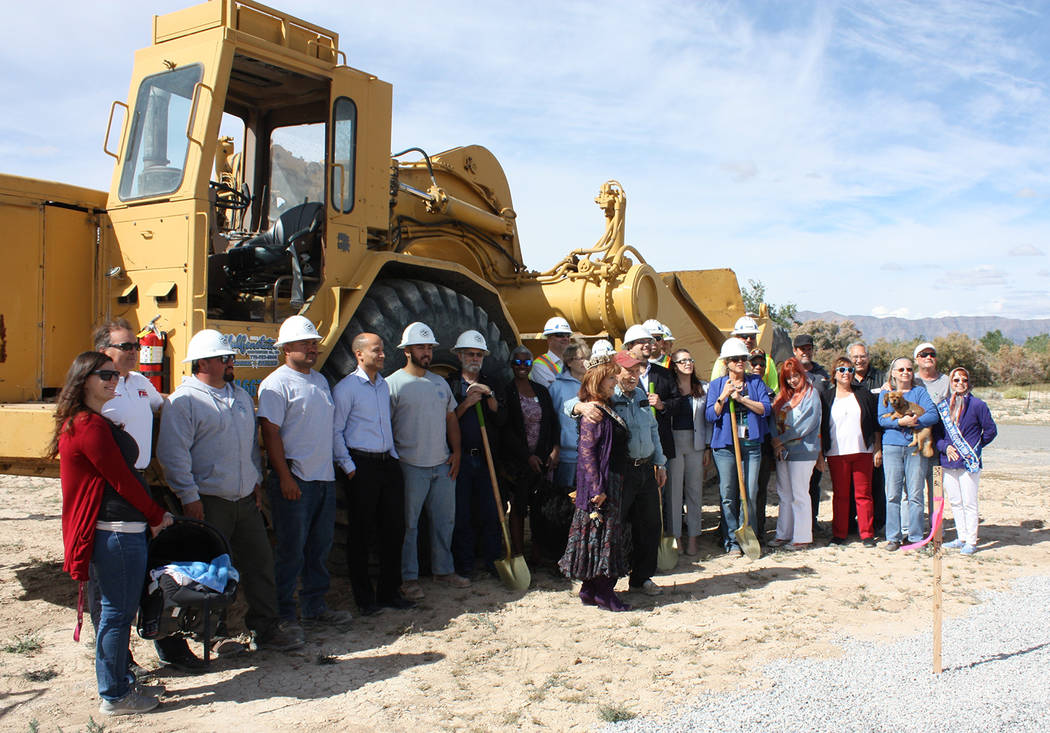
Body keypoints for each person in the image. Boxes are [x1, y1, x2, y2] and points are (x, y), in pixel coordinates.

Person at [157, 330, 302, 651]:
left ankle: (266, 628)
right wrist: (189, 496)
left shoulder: (238, 398)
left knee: (259, 563)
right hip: (209, 500)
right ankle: (208, 631)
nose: (231, 363)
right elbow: (173, 454)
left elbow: (251, 446)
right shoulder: (184, 401)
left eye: (231, 357)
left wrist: (255, 481)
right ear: (203, 362)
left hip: (244, 500)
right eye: (225, 358)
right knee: (209, 569)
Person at [52, 351, 173, 715]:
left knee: (116, 612)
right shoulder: (87, 426)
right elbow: (121, 479)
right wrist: (155, 514)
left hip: (118, 529)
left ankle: (118, 685)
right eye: (103, 375)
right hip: (117, 531)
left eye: (114, 375)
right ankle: (115, 694)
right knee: (117, 614)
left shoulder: (90, 422)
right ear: (83, 379)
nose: (112, 379)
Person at [90, 319, 204, 674]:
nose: (135, 352)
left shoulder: (140, 383)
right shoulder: (93, 387)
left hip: (138, 480)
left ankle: (167, 644)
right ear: (102, 351)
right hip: (108, 488)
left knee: (153, 570)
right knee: (111, 583)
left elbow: (163, 405)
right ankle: (118, 662)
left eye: (136, 346)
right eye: (126, 347)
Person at [257, 316, 351, 628]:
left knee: (318, 547)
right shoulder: (275, 385)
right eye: (305, 343)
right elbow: (270, 434)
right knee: (290, 551)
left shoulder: (320, 381)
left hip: (322, 480)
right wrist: (284, 477)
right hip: (296, 481)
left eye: (314, 343)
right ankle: (284, 613)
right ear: (286, 347)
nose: (313, 348)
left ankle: (314, 606)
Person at [567, 350, 668, 595]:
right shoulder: (607, 396)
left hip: (646, 469)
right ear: (615, 372)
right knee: (612, 528)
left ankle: (641, 578)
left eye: (637, 371)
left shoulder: (642, 395)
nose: (634, 375)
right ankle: (600, 583)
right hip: (620, 472)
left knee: (650, 526)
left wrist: (661, 463)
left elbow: (653, 430)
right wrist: (580, 406)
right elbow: (569, 404)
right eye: (629, 371)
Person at [332, 333, 414, 615]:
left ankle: (390, 593)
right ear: (359, 354)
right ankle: (365, 599)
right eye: (376, 351)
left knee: (394, 530)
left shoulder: (382, 387)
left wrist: (392, 456)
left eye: (382, 350)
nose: (382, 355)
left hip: (386, 464)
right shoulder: (346, 389)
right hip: (361, 466)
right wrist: (350, 468)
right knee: (361, 534)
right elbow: (336, 431)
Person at [387, 322, 467, 601]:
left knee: (445, 521)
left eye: (430, 348)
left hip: (442, 464)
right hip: (410, 465)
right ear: (406, 350)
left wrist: (456, 453)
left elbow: (451, 419)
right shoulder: (392, 385)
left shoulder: (440, 383)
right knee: (409, 525)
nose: (427, 353)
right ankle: (408, 578)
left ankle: (443, 570)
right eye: (421, 347)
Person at [558, 355, 630, 611]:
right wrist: (598, 488)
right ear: (598, 381)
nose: (615, 382)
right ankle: (605, 594)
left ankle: (589, 590)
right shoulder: (592, 412)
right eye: (611, 377)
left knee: (597, 534)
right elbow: (587, 452)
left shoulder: (605, 406)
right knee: (603, 535)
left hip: (613, 479)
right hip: (601, 484)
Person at [706, 338, 772, 555]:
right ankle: (732, 540)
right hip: (725, 446)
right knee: (728, 493)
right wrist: (724, 397)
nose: (740, 362)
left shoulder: (756, 383)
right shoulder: (717, 385)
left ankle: (747, 534)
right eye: (734, 359)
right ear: (726, 362)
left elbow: (765, 409)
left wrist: (741, 399)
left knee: (750, 492)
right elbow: (709, 415)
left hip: (751, 445)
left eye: (743, 358)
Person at [447, 330, 503, 579]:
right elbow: (447, 421)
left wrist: (488, 396)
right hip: (461, 458)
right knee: (462, 513)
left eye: (479, 354)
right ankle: (465, 564)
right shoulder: (449, 384)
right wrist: (467, 403)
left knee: (491, 511)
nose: (474, 358)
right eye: (470, 353)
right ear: (459, 356)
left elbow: (502, 418)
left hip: (487, 457)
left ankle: (492, 560)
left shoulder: (494, 382)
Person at [501, 345, 560, 562]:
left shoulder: (541, 391)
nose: (522, 367)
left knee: (539, 508)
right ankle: (517, 553)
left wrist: (555, 449)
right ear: (512, 364)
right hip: (518, 462)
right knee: (518, 507)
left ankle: (538, 551)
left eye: (527, 363)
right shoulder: (507, 391)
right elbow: (506, 430)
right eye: (518, 362)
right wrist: (526, 456)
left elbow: (552, 423)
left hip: (543, 459)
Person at [935, 367, 997, 555]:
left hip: (969, 462)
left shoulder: (978, 405)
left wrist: (974, 449)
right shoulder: (943, 406)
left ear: (969, 383)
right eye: (956, 380)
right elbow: (937, 434)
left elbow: (990, 431)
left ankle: (971, 540)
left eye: (964, 380)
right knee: (955, 500)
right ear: (951, 383)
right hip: (948, 461)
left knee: (969, 502)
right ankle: (961, 537)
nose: (960, 383)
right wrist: (945, 447)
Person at [878, 356, 938, 550]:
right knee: (893, 494)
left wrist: (914, 421)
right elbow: (881, 419)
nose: (905, 373)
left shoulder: (920, 392)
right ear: (893, 373)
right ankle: (894, 537)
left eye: (909, 369)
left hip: (915, 447)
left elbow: (932, 414)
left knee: (915, 493)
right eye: (901, 369)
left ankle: (915, 536)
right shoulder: (886, 393)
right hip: (892, 446)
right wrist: (898, 423)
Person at [820, 356, 881, 547]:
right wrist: (821, 454)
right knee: (841, 495)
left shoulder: (864, 395)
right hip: (837, 453)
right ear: (834, 374)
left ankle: (867, 534)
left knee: (864, 495)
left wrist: (877, 448)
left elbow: (875, 424)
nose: (846, 374)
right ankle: (839, 534)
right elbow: (822, 427)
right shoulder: (827, 397)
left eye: (850, 370)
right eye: (842, 370)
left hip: (863, 450)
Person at [769, 358, 823, 548]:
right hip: (782, 452)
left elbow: (806, 425)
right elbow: (772, 420)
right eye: (788, 377)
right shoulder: (783, 397)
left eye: (796, 375)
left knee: (800, 493)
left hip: (803, 451)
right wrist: (776, 442)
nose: (793, 380)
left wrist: (780, 440)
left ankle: (802, 537)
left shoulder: (812, 395)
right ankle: (783, 534)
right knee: (784, 494)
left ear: (802, 374)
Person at [667, 348, 710, 556]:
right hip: (674, 444)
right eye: (682, 361)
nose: (688, 363)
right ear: (674, 366)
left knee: (695, 492)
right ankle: (676, 537)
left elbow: (707, 420)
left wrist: (707, 447)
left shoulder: (702, 388)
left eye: (690, 359)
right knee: (674, 493)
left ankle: (693, 536)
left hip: (696, 444)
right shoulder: (669, 388)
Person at [623, 323, 681, 472]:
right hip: (630, 451)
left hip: (660, 444)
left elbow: (678, 402)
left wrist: (662, 405)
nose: (647, 345)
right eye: (641, 342)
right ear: (629, 346)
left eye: (649, 341)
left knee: (659, 492)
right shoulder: (619, 375)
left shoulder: (664, 373)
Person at [790, 333, 830, 532]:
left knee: (814, 481)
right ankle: (796, 524)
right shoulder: (790, 373)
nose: (805, 352)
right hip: (794, 436)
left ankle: (812, 522)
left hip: (818, 434)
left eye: (808, 348)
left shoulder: (822, 374)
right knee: (794, 486)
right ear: (795, 351)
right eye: (801, 349)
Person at [848, 341, 887, 533]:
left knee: (877, 483)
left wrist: (878, 446)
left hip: (876, 439)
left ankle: (878, 523)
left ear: (868, 357)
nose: (858, 360)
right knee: (852, 486)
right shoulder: (846, 377)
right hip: (851, 442)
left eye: (862, 356)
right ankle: (851, 523)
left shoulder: (881, 379)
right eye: (855, 357)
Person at [914, 341, 949, 530]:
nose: (929, 357)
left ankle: (936, 531)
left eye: (932, 354)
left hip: (939, 447)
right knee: (915, 491)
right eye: (924, 354)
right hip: (916, 446)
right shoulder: (911, 380)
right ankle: (916, 532)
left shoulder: (947, 381)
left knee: (936, 490)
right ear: (916, 359)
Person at [549, 342, 589, 488]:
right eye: (580, 358)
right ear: (569, 362)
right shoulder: (556, 387)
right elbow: (551, 421)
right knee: (565, 501)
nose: (585, 362)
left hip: (591, 456)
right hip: (567, 457)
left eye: (587, 357)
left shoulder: (594, 385)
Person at [749, 348, 777, 540]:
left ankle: (758, 530)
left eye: (762, 364)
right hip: (744, 445)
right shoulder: (742, 388)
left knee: (760, 489)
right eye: (754, 363)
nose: (758, 367)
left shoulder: (770, 391)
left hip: (764, 446)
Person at [710, 316, 778, 392]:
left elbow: (775, 391)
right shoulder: (723, 360)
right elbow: (715, 388)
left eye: (752, 336)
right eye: (744, 336)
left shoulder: (767, 361)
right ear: (736, 336)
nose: (748, 340)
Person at [529, 316, 573, 387]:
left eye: (568, 336)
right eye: (560, 335)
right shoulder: (539, 366)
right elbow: (555, 392)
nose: (565, 338)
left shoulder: (573, 361)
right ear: (549, 338)